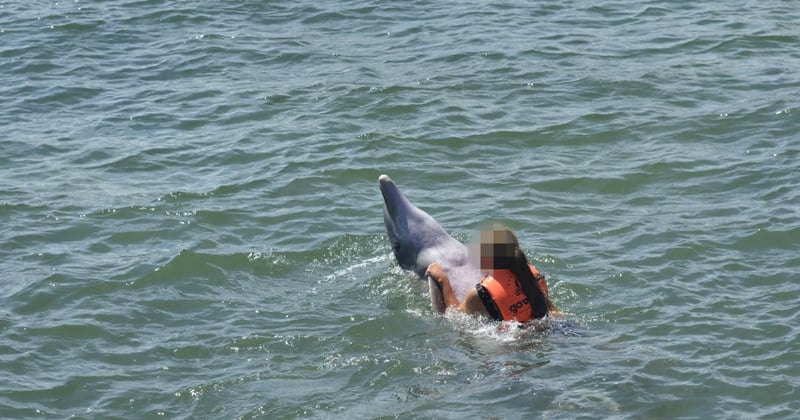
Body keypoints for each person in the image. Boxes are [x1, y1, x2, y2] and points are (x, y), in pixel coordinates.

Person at [425, 226, 560, 322]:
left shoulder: (480, 294)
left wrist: (443, 280)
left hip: (517, 345)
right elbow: (551, 312)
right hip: (554, 330)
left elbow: (454, 315)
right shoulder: (532, 275)